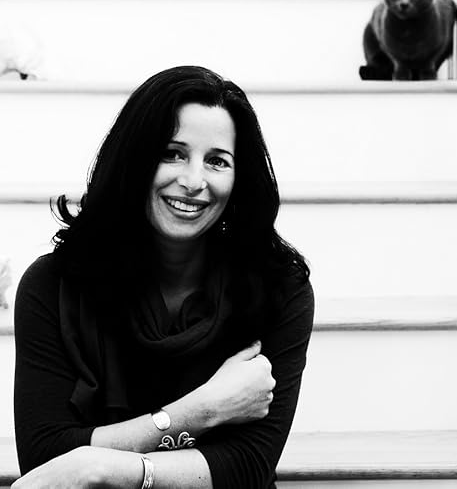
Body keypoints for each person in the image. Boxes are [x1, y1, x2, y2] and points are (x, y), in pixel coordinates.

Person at [12, 66, 314, 488]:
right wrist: (202, 410)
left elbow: (248, 465)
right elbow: (44, 459)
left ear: (238, 179)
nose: (193, 181)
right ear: (133, 159)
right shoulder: (52, 285)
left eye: (217, 161)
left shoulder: (278, 288)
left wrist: (97, 466)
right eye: (172, 153)